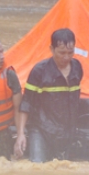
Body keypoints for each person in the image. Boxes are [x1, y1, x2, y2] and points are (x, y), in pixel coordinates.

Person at [14, 28, 83, 162]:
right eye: (61, 52)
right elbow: (26, 102)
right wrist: (21, 134)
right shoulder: (39, 71)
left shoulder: (77, 67)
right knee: (38, 169)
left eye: (70, 52)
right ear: (51, 49)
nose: (66, 57)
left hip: (67, 131)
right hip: (41, 131)